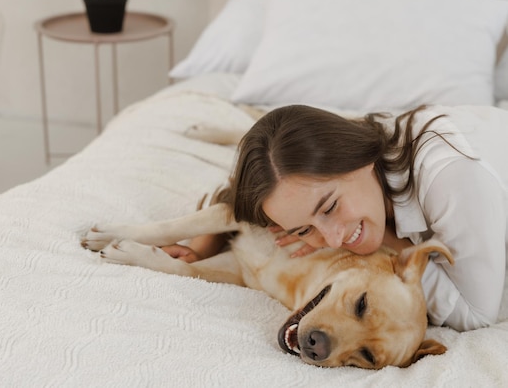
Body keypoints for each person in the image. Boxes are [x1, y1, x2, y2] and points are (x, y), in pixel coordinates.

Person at [164, 104, 508, 332]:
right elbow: (246, 202)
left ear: (359, 159)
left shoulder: (455, 179)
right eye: (303, 230)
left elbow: (478, 315)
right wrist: (200, 250)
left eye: (328, 208)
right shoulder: (344, 165)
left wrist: (390, 241)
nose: (331, 239)